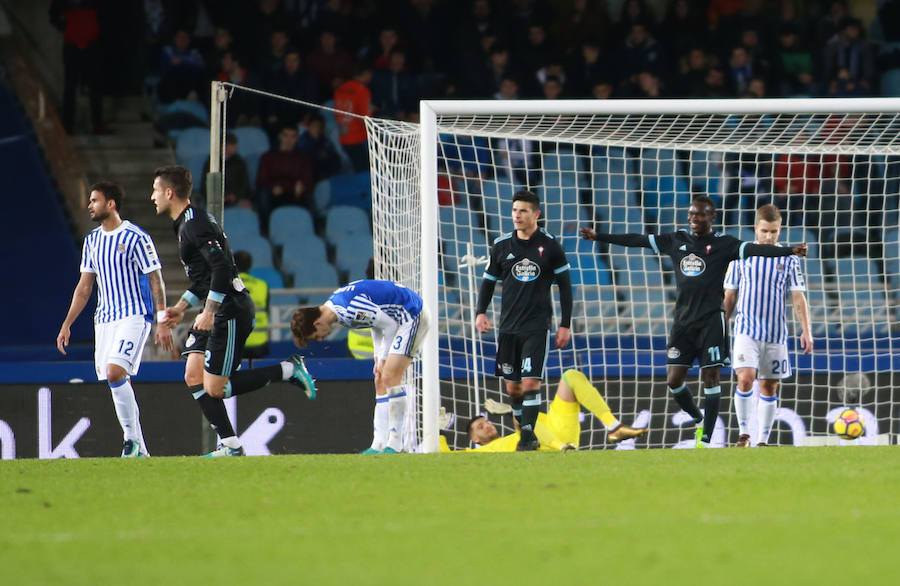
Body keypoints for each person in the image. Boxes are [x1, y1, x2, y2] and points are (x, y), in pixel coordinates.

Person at [580, 195, 808, 448]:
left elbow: (756, 249)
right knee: (673, 380)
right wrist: (599, 236)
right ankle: (699, 419)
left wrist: (789, 250)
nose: (693, 218)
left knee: (711, 377)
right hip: (683, 323)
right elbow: (637, 240)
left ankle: (708, 439)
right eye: (691, 214)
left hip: (712, 321)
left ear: (712, 217)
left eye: (699, 214)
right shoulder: (676, 240)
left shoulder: (724, 244)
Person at [150, 165, 316, 457]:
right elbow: (205, 278)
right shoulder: (186, 223)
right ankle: (230, 444)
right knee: (192, 374)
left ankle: (288, 369)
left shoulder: (194, 224)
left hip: (231, 311)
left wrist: (210, 311)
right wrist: (181, 307)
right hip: (218, 308)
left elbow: (223, 268)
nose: (152, 197)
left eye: (154, 190)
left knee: (215, 388)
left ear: (169, 192)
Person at [57, 181, 173, 457]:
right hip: (105, 320)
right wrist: (67, 323)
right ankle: (138, 446)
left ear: (111, 204)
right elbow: (85, 288)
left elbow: (155, 280)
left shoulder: (136, 237)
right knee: (117, 380)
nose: (89, 205)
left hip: (134, 315)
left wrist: (162, 320)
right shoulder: (92, 241)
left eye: (95, 200)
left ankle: (131, 442)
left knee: (115, 372)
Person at [475, 190, 573, 451]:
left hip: (536, 327)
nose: (517, 215)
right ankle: (528, 433)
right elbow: (488, 283)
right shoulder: (502, 246)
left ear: (536, 214)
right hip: (507, 329)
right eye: (515, 210)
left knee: (530, 383)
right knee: (514, 391)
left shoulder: (551, 246)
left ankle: (527, 438)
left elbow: (565, 287)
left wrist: (565, 324)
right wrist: (480, 312)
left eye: (523, 211)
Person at [290, 279, 430, 454]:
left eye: (316, 336)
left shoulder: (349, 310)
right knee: (380, 380)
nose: (320, 339)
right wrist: (378, 357)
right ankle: (378, 444)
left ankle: (395, 445)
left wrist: (384, 357)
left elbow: (390, 324)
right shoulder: (337, 309)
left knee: (389, 377)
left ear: (317, 323)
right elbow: (376, 324)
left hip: (411, 315)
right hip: (398, 320)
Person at [724, 205, 812, 447]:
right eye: (765, 231)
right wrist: (721, 325)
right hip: (746, 330)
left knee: (769, 386)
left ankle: (763, 441)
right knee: (745, 378)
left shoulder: (790, 258)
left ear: (780, 230)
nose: (769, 237)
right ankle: (744, 434)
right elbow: (730, 295)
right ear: (756, 229)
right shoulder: (740, 255)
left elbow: (797, 296)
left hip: (775, 334)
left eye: (774, 232)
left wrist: (806, 329)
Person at [443, 369, 647, 452]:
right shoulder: (480, 454)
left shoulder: (513, 435)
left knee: (571, 376)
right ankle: (561, 448)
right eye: (480, 426)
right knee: (523, 423)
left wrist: (512, 410)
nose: (487, 425)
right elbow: (443, 456)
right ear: (475, 439)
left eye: (486, 421)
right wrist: (438, 431)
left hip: (556, 429)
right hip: (549, 446)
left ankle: (613, 426)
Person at [233, 250, 269, 359]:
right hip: (260, 341)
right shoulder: (262, 285)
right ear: (250, 265)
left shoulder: (229, 284)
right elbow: (267, 310)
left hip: (236, 340)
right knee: (258, 374)